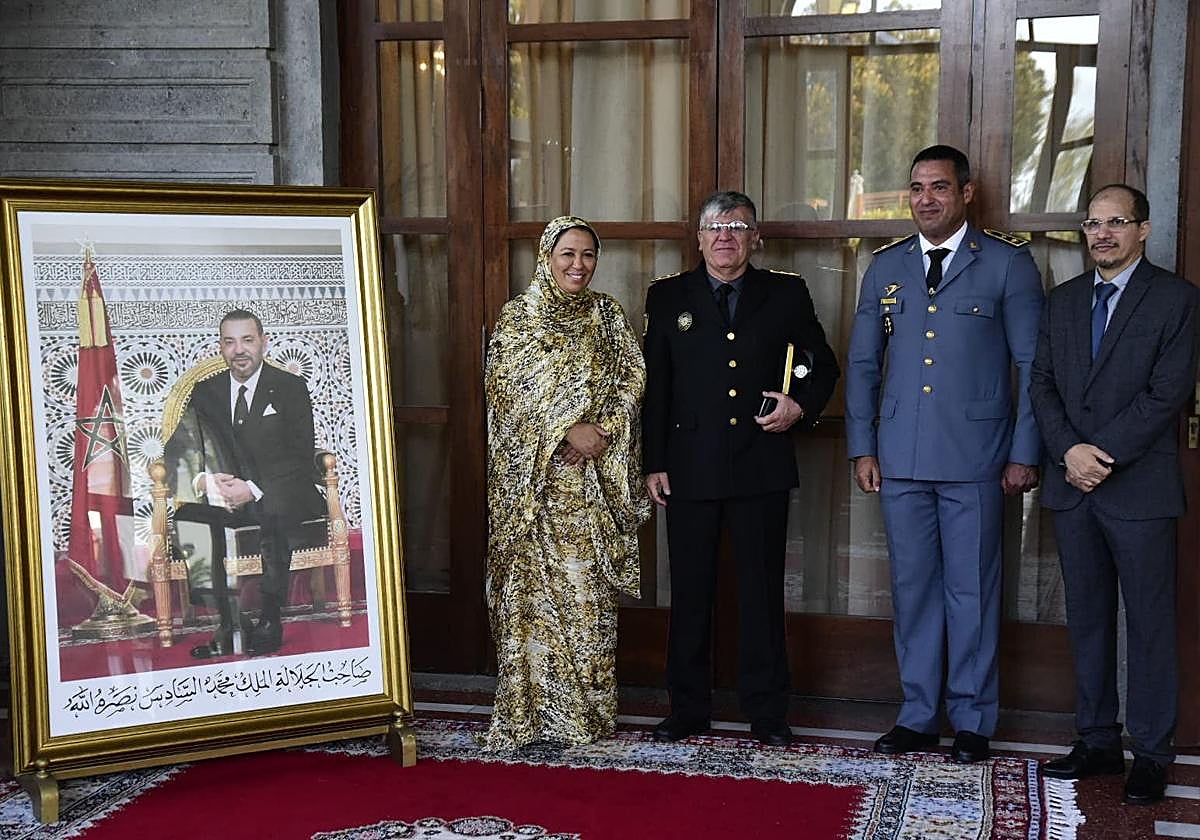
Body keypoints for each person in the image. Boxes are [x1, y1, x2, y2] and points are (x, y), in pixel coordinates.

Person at [845, 145, 1044, 763]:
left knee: (972, 592)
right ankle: (918, 714)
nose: (925, 198)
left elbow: (1032, 367)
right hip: (900, 457)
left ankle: (973, 717)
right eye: (916, 188)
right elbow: (862, 364)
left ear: (965, 193)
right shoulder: (886, 267)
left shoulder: (1008, 266)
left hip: (977, 459)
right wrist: (862, 446)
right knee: (913, 591)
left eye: (938, 187)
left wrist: (1023, 452)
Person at [642, 190, 839, 746]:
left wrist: (799, 404)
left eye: (737, 226)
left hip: (761, 466)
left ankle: (768, 712)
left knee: (760, 592)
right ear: (698, 238)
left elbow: (820, 364)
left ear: (756, 237)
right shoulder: (667, 296)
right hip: (689, 468)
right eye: (714, 227)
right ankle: (687, 708)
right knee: (690, 592)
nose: (725, 236)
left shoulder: (785, 293)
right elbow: (657, 386)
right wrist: (653, 461)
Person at [1030, 184, 1199, 804]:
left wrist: (1099, 455)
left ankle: (1151, 751)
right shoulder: (1063, 301)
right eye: (1093, 223)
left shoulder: (1177, 300)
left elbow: (1166, 392)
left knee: (1150, 624)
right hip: (1073, 487)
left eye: (1116, 222)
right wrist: (1067, 451)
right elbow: (1041, 383)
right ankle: (1098, 739)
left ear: (1143, 231)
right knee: (1088, 619)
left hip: (1139, 489)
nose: (1102, 233)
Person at [482, 216, 651, 751]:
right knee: (533, 603)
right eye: (567, 254)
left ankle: (587, 715)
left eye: (588, 255)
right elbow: (506, 396)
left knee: (587, 603)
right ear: (546, 257)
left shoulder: (607, 315)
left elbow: (632, 377)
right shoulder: (519, 319)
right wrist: (563, 431)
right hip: (534, 493)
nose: (578, 265)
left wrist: (602, 432)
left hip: (591, 488)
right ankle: (532, 715)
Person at [164, 308, 323, 658]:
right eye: (229, 341)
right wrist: (207, 480)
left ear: (263, 343)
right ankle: (228, 620)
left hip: (279, 490)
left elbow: (300, 455)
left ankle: (269, 617)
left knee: (273, 510)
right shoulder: (205, 392)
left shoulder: (290, 387)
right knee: (189, 519)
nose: (239, 350)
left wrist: (252, 488)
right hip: (226, 497)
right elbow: (178, 450)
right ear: (220, 347)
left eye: (247, 340)